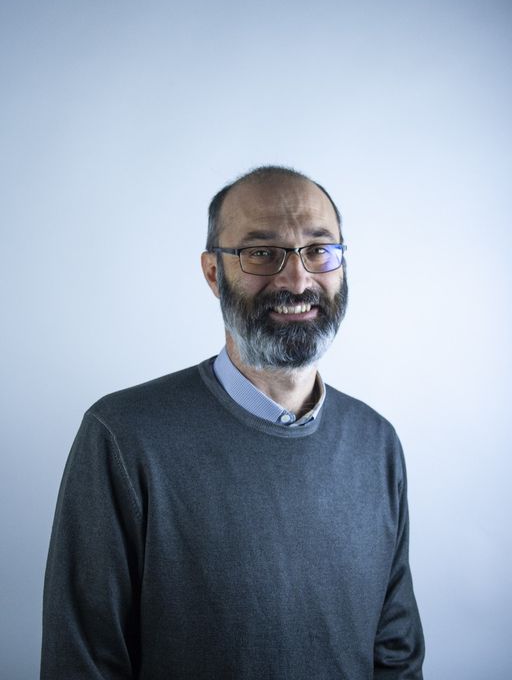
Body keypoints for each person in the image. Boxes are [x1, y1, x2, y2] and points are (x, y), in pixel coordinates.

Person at [41, 165, 425, 679]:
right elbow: (82, 664)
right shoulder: (123, 437)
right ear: (212, 273)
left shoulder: (376, 442)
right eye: (261, 253)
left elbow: (396, 656)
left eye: (318, 249)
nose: (297, 279)